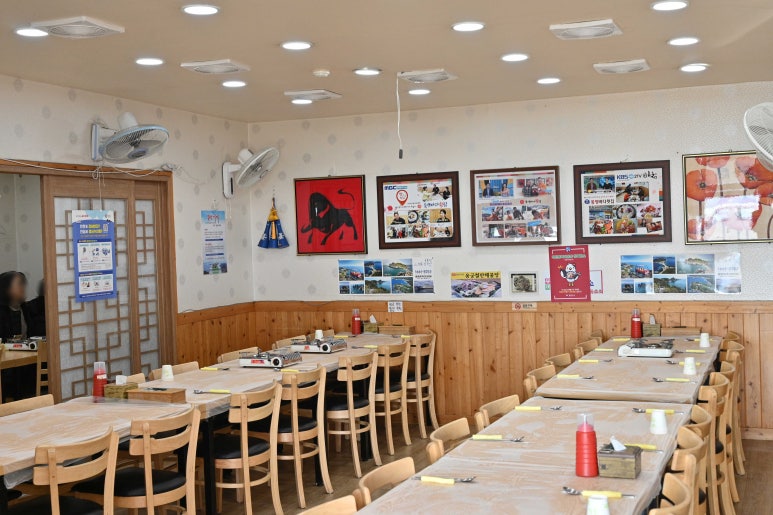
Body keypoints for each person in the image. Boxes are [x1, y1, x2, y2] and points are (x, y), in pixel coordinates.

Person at [0, 271, 31, 341]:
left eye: (23, 284)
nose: (23, 288)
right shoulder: (2, 311)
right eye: (20, 284)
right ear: (7, 289)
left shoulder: (26, 308)